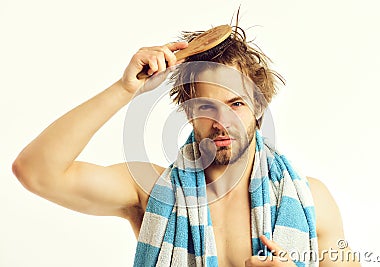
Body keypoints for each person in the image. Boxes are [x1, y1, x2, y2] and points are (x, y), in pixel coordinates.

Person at [12, 25, 361, 267]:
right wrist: (125, 90)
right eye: (206, 107)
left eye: (236, 104)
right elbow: (36, 171)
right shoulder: (149, 190)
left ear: (259, 109)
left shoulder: (311, 200)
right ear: (188, 114)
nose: (221, 121)